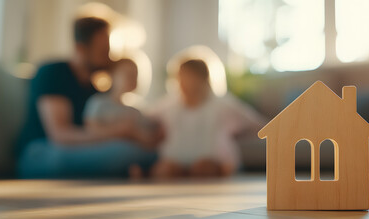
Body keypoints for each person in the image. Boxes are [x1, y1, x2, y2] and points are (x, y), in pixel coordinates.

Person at [17, 17, 158, 178]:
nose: (109, 57)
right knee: (123, 153)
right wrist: (120, 132)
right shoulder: (53, 72)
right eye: (103, 51)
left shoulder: (95, 89)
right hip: (41, 152)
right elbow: (60, 135)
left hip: (76, 149)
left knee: (131, 151)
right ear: (81, 48)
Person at [150, 59, 265, 179]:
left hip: (213, 163)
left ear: (203, 78)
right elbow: (146, 120)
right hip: (176, 162)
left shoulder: (223, 105)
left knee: (204, 168)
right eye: (181, 77)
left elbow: (257, 124)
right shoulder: (168, 105)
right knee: (164, 170)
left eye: (190, 77)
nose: (184, 82)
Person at [83, 59, 163, 178]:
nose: (132, 79)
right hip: (106, 149)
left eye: (135, 75)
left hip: (134, 151)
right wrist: (122, 131)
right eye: (128, 75)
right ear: (113, 76)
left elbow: (147, 138)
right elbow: (91, 130)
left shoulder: (135, 111)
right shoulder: (98, 102)